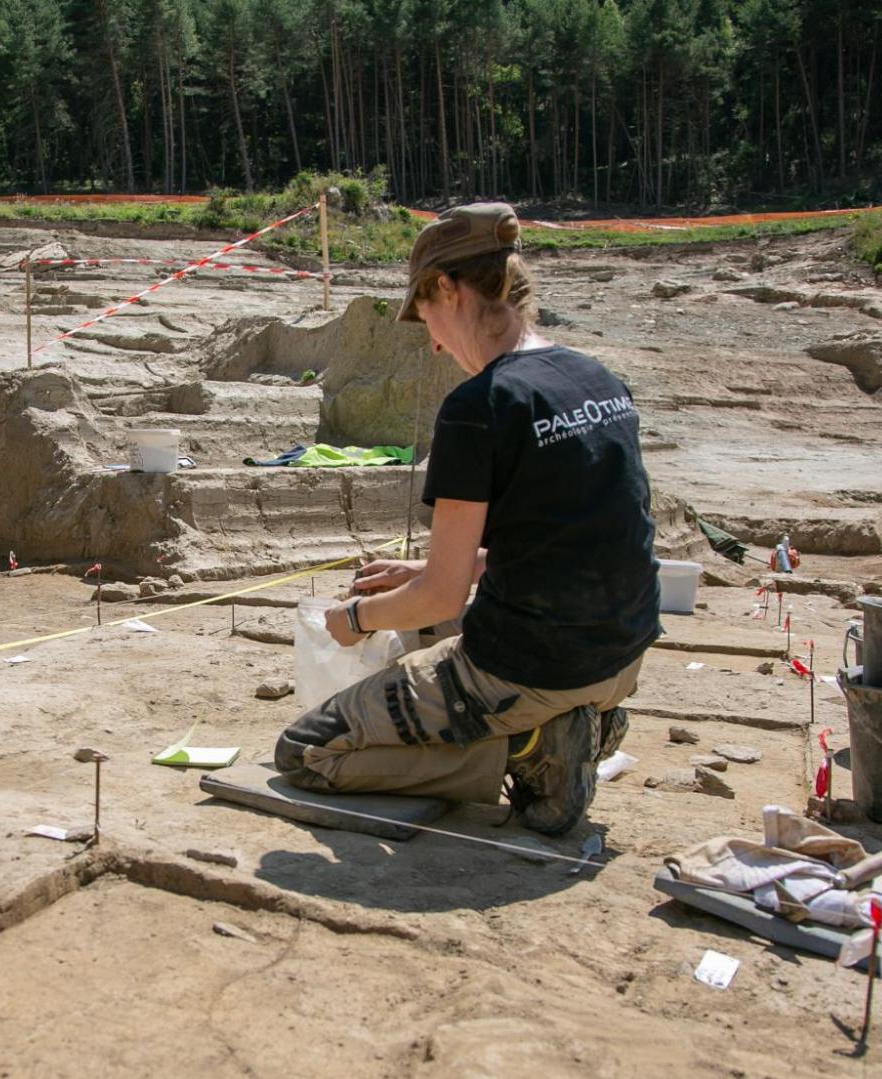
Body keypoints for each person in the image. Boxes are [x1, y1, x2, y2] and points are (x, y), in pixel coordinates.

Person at [273, 201, 659, 836]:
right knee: (426, 625)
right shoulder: (596, 379)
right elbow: (575, 539)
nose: (431, 340)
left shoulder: (479, 406)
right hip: (620, 660)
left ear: (447, 289)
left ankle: (531, 750)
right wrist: (443, 566)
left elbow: (439, 599)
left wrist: (354, 619)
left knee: (308, 752)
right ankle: (582, 720)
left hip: (535, 669)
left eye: (425, 313)